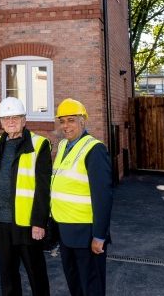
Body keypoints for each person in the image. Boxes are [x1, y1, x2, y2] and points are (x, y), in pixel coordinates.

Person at [0, 97, 52, 296]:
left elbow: (43, 187)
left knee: (36, 274)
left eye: (15, 117)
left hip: (26, 223)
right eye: (6, 118)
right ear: (0, 122)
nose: (10, 121)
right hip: (2, 221)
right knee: (8, 276)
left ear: (24, 120)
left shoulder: (39, 145)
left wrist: (39, 222)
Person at [51, 98, 113, 296]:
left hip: (86, 233)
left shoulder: (94, 149)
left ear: (82, 121)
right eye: (62, 121)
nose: (65, 126)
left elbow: (103, 196)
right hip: (66, 230)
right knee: (75, 285)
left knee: (91, 287)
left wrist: (99, 236)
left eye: (71, 120)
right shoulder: (62, 146)